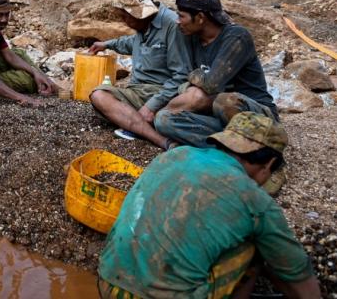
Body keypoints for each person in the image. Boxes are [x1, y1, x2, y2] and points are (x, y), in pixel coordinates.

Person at [98, 112, 320, 299]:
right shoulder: (253, 198)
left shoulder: (174, 154)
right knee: (254, 245)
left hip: (108, 283)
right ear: (270, 163)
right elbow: (297, 273)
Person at [154, 0, 279, 149]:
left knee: (225, 101)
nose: (177, 21)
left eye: (181, 16)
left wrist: (192, 77)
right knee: (164, 120)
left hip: (255, 114)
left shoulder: (236, 37)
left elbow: (211, 85)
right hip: (219, 118)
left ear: (200, 18)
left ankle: (261, 144)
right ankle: (234, 147)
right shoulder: (192, 39)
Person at [88, 0, 190, 150]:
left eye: (126, 18)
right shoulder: (143, 26)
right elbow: (132, 43)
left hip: (162, 93)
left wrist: (151, 106)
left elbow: (181, 75)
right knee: (99, 95)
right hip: (137, 92)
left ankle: (159, 139)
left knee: (115, 107)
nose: (126, 22)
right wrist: (106, 44)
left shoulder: (172, 25)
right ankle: (139, 122)